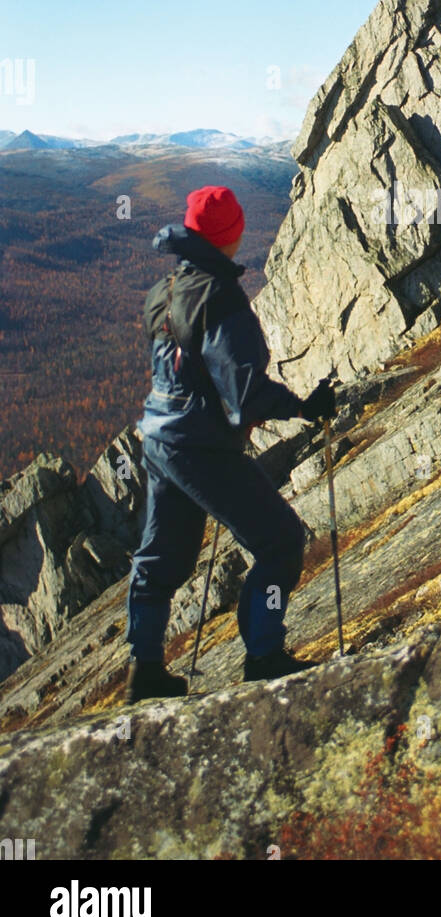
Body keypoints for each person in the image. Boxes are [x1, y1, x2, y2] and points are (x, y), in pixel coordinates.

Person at [125, 184, 335, 703]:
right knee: (280, 542)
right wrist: (306, 408)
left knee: (160, 559)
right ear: (231, 235)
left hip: (158, 439)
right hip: (200, 447)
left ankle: (144, 668)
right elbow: (245, 394)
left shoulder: (166, 290)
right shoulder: (222, 299)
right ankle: (264, 655)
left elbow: (180, 370)